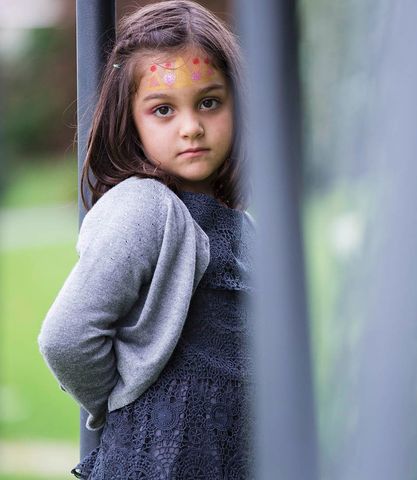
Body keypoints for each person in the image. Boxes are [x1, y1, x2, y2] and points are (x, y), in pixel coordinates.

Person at [37, 1, 255, 478]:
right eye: (162, 110)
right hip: (161, 458)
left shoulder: (243, 224)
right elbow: (66, 338)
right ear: (130, 120)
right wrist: (126, 402)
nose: (191, 126)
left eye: (210, 102)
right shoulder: (145, 207)